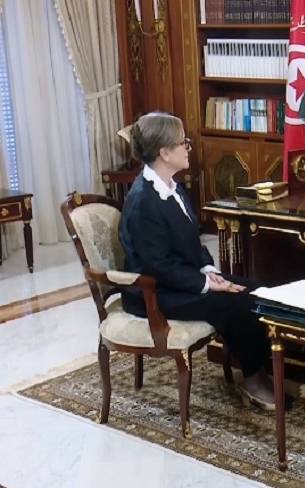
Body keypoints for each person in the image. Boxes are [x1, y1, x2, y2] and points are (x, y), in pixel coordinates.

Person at [118, 112, 279, 410]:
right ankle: (253, 381)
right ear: (165, 153)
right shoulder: (143, 202)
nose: (188, 148)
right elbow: (157, 266)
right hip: (154, 293)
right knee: (240, 304)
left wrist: (209, 270)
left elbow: (192, 240)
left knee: (257, 291)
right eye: (183, 143)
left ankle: (259, 373)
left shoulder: (171, 187)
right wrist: (206, 284)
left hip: (180, 279)